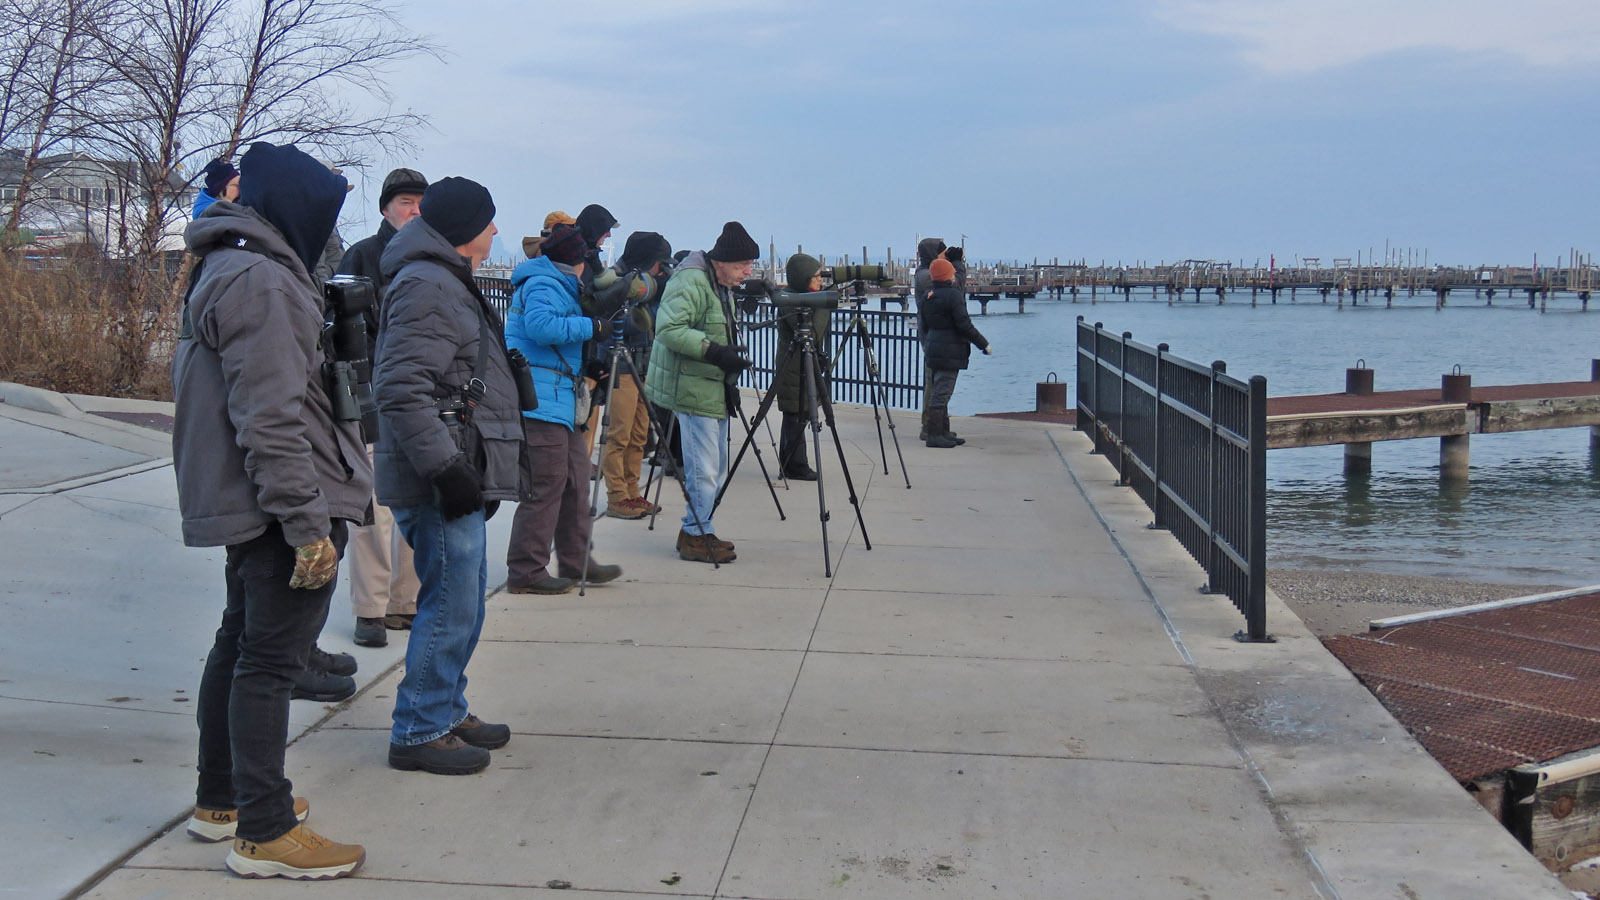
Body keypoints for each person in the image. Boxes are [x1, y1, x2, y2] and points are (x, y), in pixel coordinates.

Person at [172, 141, 367, 879]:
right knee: (269, 663)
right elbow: (272, 419)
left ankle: (221, 800)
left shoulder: (231, 263)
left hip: (249, 499)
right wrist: (308, 524)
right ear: (298, 211)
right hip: (281, 504)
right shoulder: (264, 282)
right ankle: (264, 829)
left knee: (239, 644)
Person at [373, 176, 523, 775]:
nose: (494, 232)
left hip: (456, 465)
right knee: (448, 605)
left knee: (463, 601)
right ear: (464, 230)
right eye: (488, 222)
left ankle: (445, 706)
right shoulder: (429, 285)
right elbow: (401, 387)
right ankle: (420, 727)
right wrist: (446, 468)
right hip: (440, 474)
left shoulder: (439, 279)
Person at [503, 223, 624, 593]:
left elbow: (554, 338)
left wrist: (588, 365)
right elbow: (542, 327)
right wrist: (594, 326)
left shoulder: (555, 281)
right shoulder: (544, 283)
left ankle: (576, 561)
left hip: (557, 396)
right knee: (546, 485)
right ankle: (525, 572)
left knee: (574, 481)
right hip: (539, 400)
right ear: (579, 261)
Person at [337, 167, 428, 649]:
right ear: (386, 208)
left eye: (420, 203)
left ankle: (405, 601)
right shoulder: (362, 255)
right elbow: (341, 329)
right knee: (372, 510)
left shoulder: (434, 259)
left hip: (421, 399)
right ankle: (370, 608)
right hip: (371, 396)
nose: (414, 211)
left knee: (415, 503)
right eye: (405, 202)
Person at [645, 221, 758, 564]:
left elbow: (717, 330)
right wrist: (714, 352)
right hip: (691, 385)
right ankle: (696, 533)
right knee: (705, 469)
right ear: (722, 261)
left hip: (709, 384)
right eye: (742, 266)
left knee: (715, 467)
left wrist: (728, 380)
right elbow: (668, 329)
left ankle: (697, 528)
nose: (747, 272)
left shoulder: (716, 282)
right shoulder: (692, 280)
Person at [599, 231, 673, 518]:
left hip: (644, 368)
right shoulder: (618, 281)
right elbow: (618, 326)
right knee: (619, 434)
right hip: (623, 368)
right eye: (659, 264)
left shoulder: (649, 285)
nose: (660, 270)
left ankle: (632, 492)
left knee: (639, 435)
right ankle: (617, 497)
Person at [920, 257, 990, 449]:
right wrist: (983, 344)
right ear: (948, 276)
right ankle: (935, 435)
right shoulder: (954, 296)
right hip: (949, 350)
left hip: (933, 348)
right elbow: (964, 325)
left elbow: (925, 324)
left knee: (938, 390)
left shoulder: (928, 296)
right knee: (942, 393)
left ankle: (943, 431)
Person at [775, 252, 830, 481]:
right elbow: (813, 333)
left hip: (802, 365)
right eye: (816, 276)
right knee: (796, 415)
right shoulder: (790, 301)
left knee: (799, 415)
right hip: (794, 368)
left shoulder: (800, 297)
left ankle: (791, 463)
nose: (820, 280)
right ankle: (795, 465)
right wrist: (825, 304)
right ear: (802, 277)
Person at [912, 237, 947, 442]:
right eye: (942, 254)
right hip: (932, 334)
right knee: (933, 381)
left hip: (934, 333)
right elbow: (952, 286)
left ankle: (939, 424)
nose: (945, 258)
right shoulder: (927, 275)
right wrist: (957, 267)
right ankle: (929, 425)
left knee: (939, 381)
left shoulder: (924, 272)